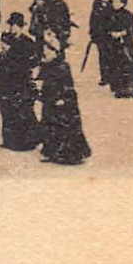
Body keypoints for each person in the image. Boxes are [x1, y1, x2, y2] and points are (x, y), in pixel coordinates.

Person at [36, 33, 92, 165]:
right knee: (48, 124)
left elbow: (68, 86)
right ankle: (50, 150)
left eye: (48, 52)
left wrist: (63, 99)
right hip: (49, 99)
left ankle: (69, 153)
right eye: (44, 52)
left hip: (62, 102)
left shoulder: (62, 66)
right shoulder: (45, 65)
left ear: (56, 53)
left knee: (63, 126)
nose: (45, 55)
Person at [0, 13, 39, 151]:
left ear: (22, 27)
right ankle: (10, 140)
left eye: (16, 26)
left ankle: (29, 141)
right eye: (11, 25)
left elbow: (34, 60)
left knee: (24, 111)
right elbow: (1, 59)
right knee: (9, 110)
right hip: (8, 82)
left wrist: (24, 67)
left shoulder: (28, 42)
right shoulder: (8, 39)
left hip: (22, 81)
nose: (13, 28)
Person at [103, 0, 133, 98]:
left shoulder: (128, 15)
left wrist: (124, 33)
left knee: (128, 65)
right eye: (114, 2)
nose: (115, 4)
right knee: (116, 66)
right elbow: (104, 28)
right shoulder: (109, 14)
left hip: (126, 45)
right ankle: (118, 88)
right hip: (114, 45)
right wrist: (111, 33)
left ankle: (130, 89)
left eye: (117, 2)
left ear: (123, 3)